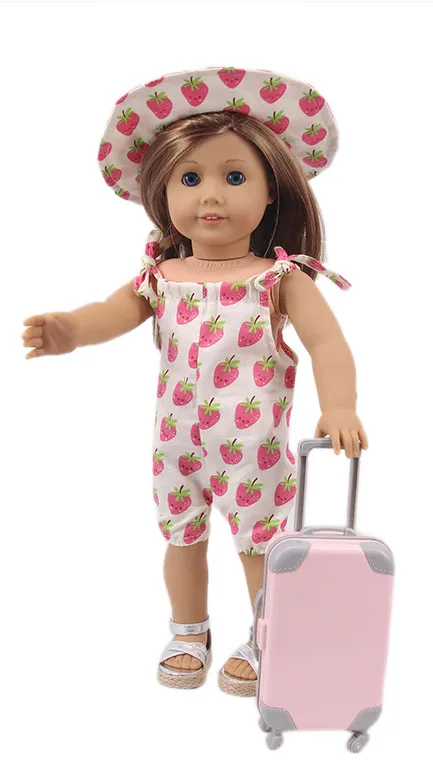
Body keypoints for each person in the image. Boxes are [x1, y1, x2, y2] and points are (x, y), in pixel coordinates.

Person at [22, 67, 367, 697]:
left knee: (260, 544)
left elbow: (326, 343)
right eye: (190, 178)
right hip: (177, 441)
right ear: (162, 189)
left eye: (234, 177)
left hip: (254, 446)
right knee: (181, 536)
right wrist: (69, 329)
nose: (211, 196)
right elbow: (112, 312)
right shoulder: (161, 275)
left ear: (270, 191)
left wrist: (339, 404)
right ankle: (189, 631)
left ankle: (267, 634)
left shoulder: (278, 278)